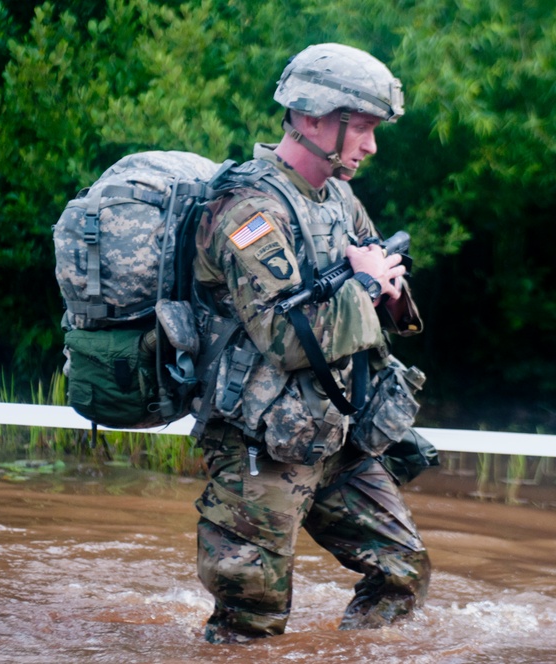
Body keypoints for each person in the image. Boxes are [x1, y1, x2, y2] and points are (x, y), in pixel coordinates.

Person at [190, 43, 430, 644]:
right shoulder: (247, 208)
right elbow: (285, 340)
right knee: (252, 622)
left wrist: (383, 284)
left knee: (402, 571)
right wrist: (365, 283)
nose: (371, 145)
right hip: (260, 447)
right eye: (365, 128)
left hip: (332, 433)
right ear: (315, 116)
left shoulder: (340, 199)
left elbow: (385, 295)